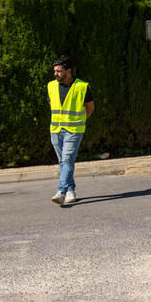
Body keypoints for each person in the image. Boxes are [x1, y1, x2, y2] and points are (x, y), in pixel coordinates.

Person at [48, 57, 94, 206]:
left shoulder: (82, 86)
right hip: (56, 129)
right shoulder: (51, 86)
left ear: (68, 71)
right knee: (64, 162)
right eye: (54, 71)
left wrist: (79, 121)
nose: (55, 73)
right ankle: (70, 190)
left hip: (74, 130)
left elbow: (90, 108)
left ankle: (61, 191)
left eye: (59, 71)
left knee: (67, 160)